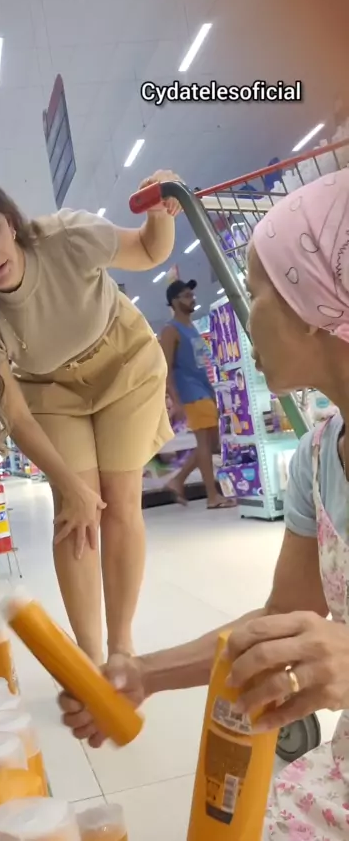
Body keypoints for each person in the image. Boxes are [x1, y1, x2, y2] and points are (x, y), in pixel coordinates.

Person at [60, 168, 349, 839]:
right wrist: (140, 675)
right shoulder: (317, 459)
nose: (245, 315)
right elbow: (285, 615)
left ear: (316, 305)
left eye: (257, 292)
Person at [0, 167, 183, 666]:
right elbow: (15, 412)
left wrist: (162, 213)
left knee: (121, 501)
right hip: (49, 387)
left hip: (126, 362)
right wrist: (71, 487)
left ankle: (122, 649)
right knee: (74, 514)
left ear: (11, 221)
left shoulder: (66, 237)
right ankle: (90, 661)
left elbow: (147, 250)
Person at [160, 279, 235, 508]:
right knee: (205, 443)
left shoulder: (192, 329)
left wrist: (211, 392)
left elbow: (200, 366)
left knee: (211, 444)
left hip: (202, 390)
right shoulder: (171, 331)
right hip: (190, 392)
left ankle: (177, 480)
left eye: (191, 295)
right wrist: (176, 400)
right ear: (174, 301)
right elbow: (165, 369)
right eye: (186, 295)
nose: (192, 299)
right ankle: (212, 496)